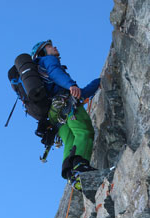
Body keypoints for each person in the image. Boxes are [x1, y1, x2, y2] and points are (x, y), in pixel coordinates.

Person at [31, 40, 100, 190]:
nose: (54, 47)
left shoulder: (39, 75)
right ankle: (80, 167)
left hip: (54, 116)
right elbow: (56, 74)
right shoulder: (47, 60)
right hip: (66, 105)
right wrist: (70, 84)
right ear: (42, 52)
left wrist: (97, 83)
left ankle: (71, 175)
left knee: (70, 139)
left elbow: (80, 94)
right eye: (49, 46)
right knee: (84, 132)